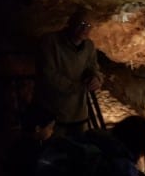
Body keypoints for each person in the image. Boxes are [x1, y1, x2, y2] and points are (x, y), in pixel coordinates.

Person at [34, 7, 102, 137]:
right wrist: (78, 87)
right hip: (52, 110)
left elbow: (93, 67)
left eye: (89, 26)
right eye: (82, 24)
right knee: (55, 145)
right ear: (71, 23)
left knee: (78, 145)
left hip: (78, 111)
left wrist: (96, 78)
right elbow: (48, 74)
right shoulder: (50, 42)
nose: (85, 28)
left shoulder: (89, 46)